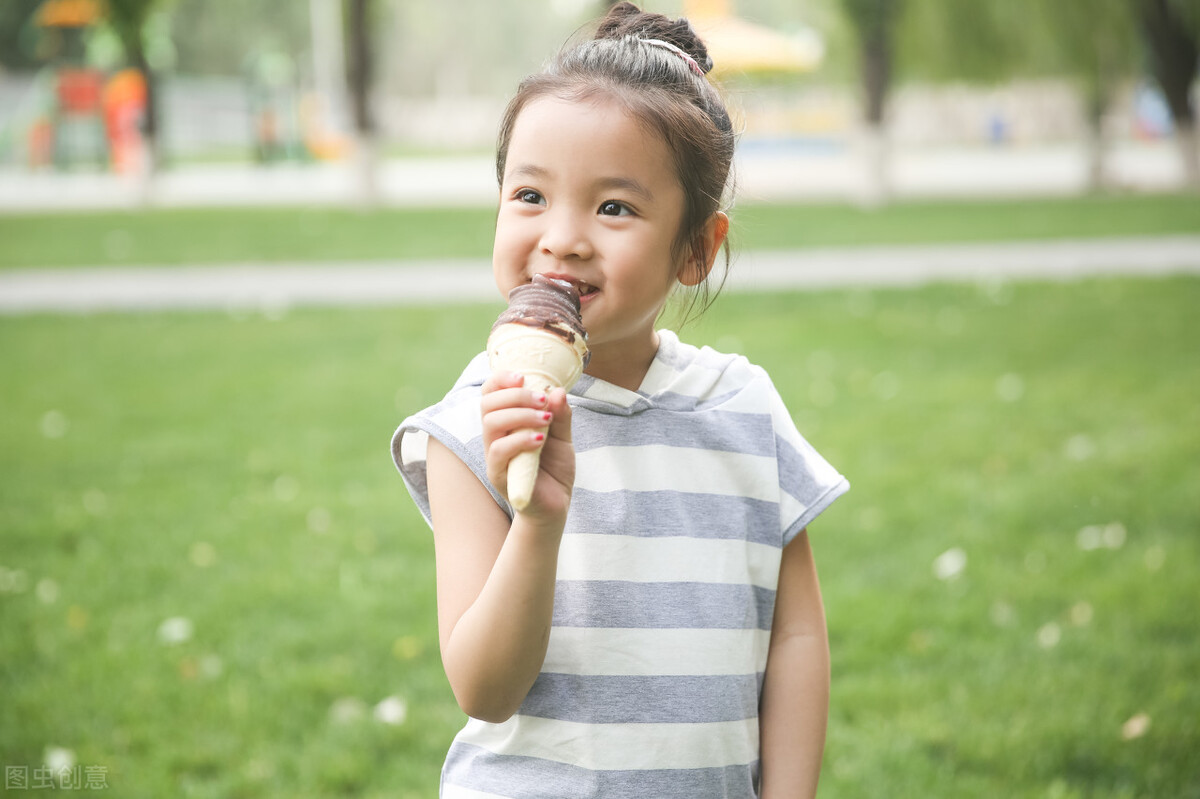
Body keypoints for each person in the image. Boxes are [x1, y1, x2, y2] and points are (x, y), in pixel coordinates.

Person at [391, 4, 849, 797]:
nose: (563, 237)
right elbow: (483, 687)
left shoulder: (742, 407)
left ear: (697, 249)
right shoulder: (471, 424)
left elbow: (797, 634)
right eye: (529, 195)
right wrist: (537, 520)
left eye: (614, 208)